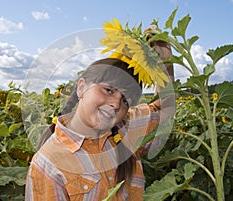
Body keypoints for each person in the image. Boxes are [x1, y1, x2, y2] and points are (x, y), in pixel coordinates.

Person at [25, 26, 174, 201]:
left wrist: (166, 65)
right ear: (81, 88)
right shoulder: (48, 164)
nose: (116, 103)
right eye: (108, 90)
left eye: (125, 100)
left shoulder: (127, 128)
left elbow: (165, 109)